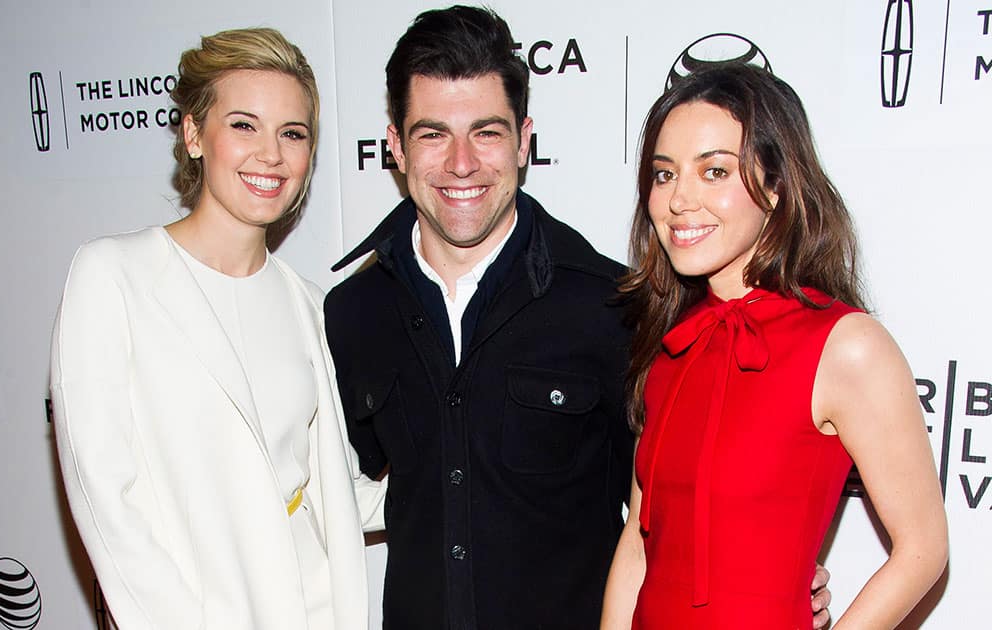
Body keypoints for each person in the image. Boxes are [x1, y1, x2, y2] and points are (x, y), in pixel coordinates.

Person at [325, 7, 832, 630]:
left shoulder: (613, 307)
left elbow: (671, 502)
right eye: (433, 134)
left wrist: (763, 573)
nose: (462, 163)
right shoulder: (352, 311)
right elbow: (327, 489)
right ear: (397, 147)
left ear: (524, 139)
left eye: (487, 132)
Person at [50, 27, 384, 630]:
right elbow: (105, 495)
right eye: (243, 125)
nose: (271, 155)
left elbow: (337, 491)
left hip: (312, 606)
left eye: (293, 133)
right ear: (193, 133)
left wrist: (465, 467)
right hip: (192, 610)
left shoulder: (310, 306)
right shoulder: (114, 276)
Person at [600, 63, 948, 629]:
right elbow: (639, 548)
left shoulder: (844, 345)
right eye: (664, 175)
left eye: (714, 171)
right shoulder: (673, 346)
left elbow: (923, 548)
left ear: (777, 184)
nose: (679, 199)